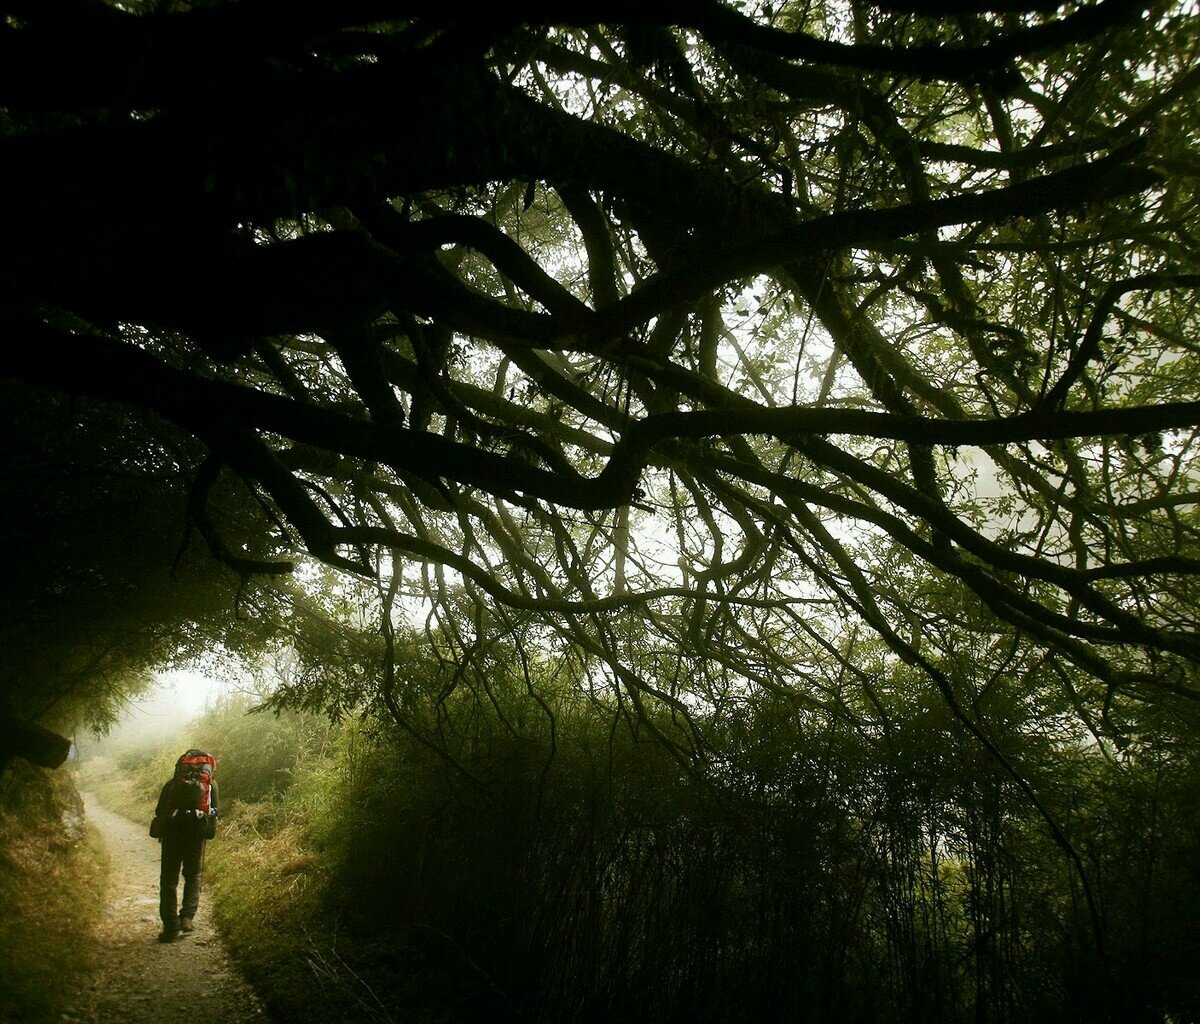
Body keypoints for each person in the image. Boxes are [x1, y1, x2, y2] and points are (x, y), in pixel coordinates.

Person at [150, 749, 219, 943]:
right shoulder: (211, 785)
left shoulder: (172, 784)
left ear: (181, 767)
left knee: (169, 880)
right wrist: (208, 832)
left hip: (172, 831)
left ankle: (171, 927)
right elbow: (214, 812)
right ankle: (187, 918)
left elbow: (160, 809)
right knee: (193, 874)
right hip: (195, 832)